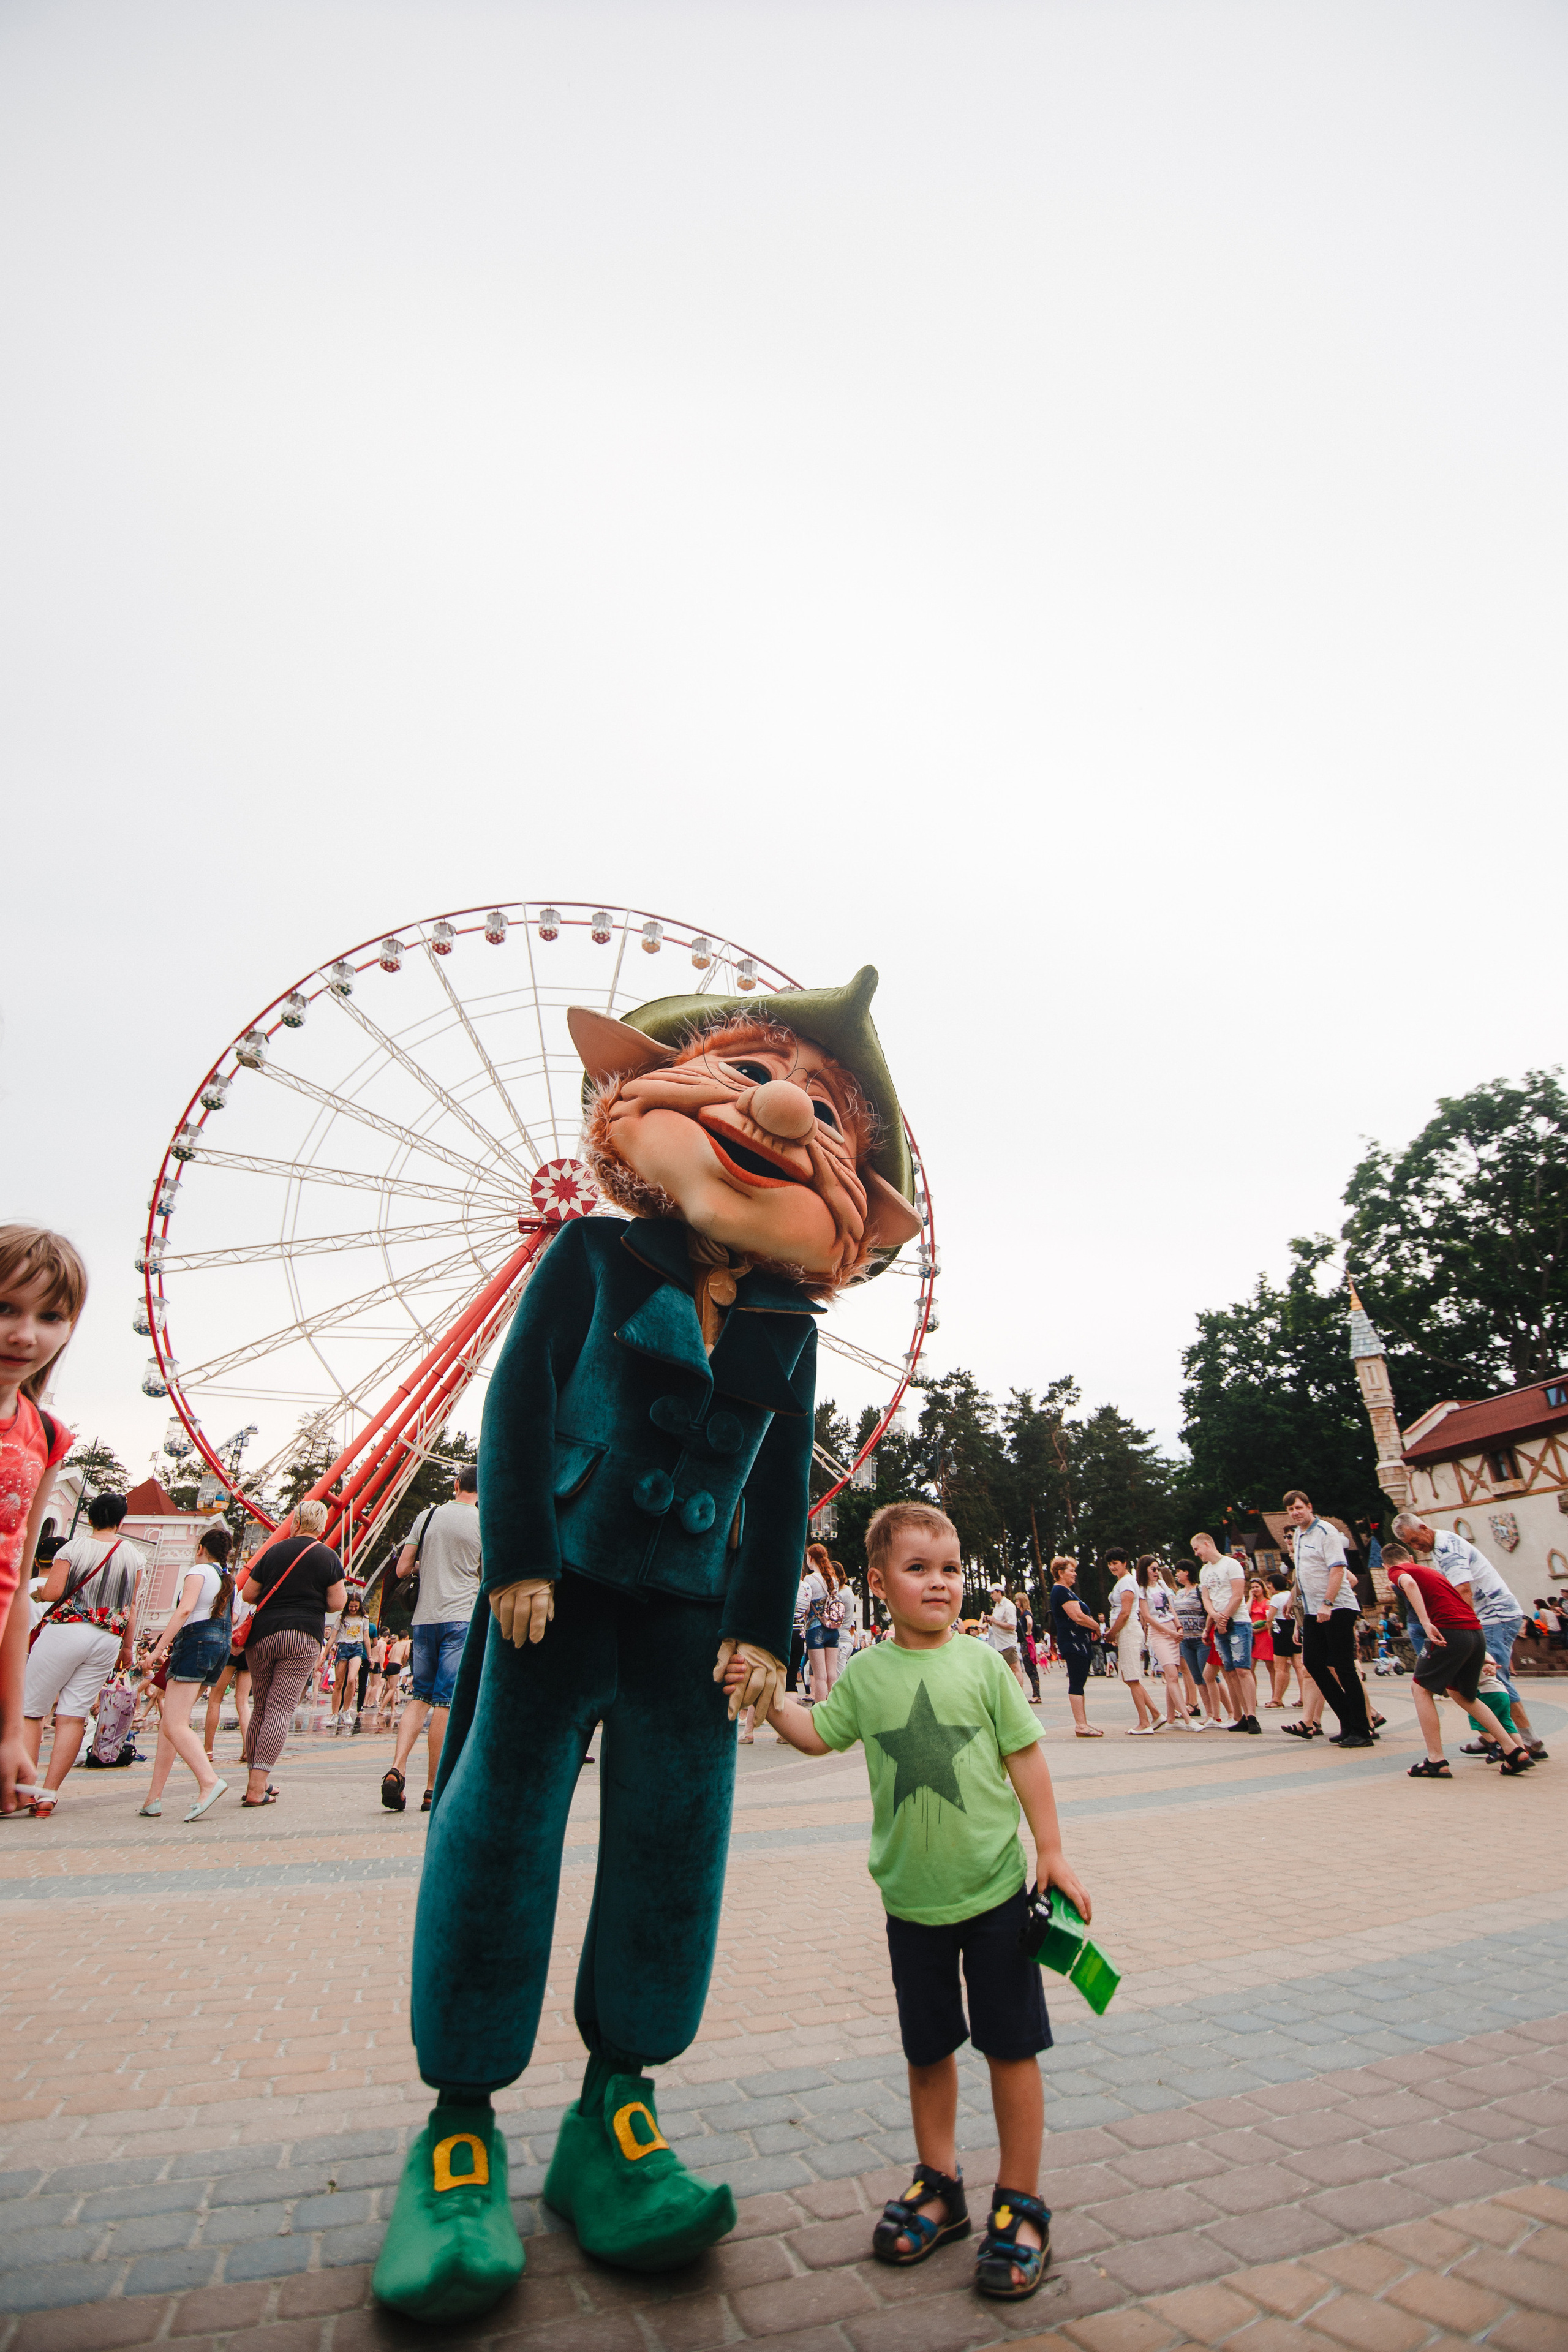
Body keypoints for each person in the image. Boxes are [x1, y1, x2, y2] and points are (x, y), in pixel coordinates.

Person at [751, 1500, 1090, 2303]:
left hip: (999, 1895)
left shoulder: (982, 1666)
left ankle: (1022, 2200)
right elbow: (817, 1732)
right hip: (911, 1903)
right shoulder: (867, 1675)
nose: (939, 1584)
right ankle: (940, 2186)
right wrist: (765, 1695)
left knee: (1012, 2047)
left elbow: (1027, 1760)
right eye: (918, 1569)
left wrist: (1051, 1850)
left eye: (950, 1569)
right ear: (877, 1583)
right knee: (928, 2050)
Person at [0, 1226, 87, 1814]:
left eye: (51, 1316)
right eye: (4, 1307)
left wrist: (10, 1732)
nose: (24, 1334)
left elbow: (15, 1590)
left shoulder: (48, 1436)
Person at [1391, 1512, 1544, 1759]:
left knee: (1493, 1676)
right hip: (1486, 1618)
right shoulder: (1442, 1548)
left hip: (1495, 1616)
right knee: (1472, 1681)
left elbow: (1463, 1591)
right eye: (1411, 1545)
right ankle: (1494, 1735)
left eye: (1416, 1539)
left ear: (1423, 1527)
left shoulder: (1447, 1548)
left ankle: (1526, 1740)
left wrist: (1465, 1627)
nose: (1417, 1547)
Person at [25, 1492, 143, 1801]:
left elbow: (52, 1591)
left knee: (33, 1711)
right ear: (120, 1521)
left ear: (90, 1517)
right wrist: (127, 1648)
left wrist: (37, 1597)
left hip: (67, 1630)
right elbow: (131, 1605)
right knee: (73, 1716)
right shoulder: (133, 1555)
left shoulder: (73, 1547)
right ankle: (49, 1795)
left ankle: (24, 1787)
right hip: (108, 1639)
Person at [382, 1464, 482, 1813]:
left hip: (424, 1620)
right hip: (461, 1619)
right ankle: (431, 1788)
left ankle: (397, 1768)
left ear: (456, 1485)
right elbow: (485, 1575)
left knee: (419, 1697)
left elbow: (401, 1569)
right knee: (444, 1702)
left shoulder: (428, 1516)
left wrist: (427, 1565)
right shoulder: (484, 1522)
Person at [238, 1500, 346, 1806]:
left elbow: (248, 1593)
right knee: (280, 1709)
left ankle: (254, 1781)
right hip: (303, 1635)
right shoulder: (328, 1557)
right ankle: (258, 1789)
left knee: (260, 1708)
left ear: (295, 1523)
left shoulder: (274, 1551)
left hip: (263, 1635)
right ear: (322, 1526)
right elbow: (338, 1602)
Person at [138, 1526, 233, 1820]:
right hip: (219, 1646)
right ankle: (153, 1797)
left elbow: (183, 1611)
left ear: (201, 1549)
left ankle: (209, 1781)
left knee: (175, 1724)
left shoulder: (198, 1572)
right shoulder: (229, 1580)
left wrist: (156, 1651)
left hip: (195, 1643)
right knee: (172, 1722)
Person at [1280, 1493, 1371, 1746]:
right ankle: (1347, 1721)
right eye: (1291, 1509)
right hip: (1311, 1610)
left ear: (1309, 1507)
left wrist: (1328, 1604)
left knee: (1343, 1667)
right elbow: (1302, 1573)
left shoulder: (1326, 1531)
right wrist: (1292, 1598)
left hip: (1337, 1607)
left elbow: (1338, 1569)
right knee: (1313, 1664)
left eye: (1299, 1507)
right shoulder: (1298, 1535)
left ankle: (1362, 1730)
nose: (1295, 1512)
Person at [1189, 1533, 1260, 1733]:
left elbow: (1238, 1595)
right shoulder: (1204, 1571)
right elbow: (1207, 1599)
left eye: (1197, 1549)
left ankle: (1252, 1715)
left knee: (1243, 1669)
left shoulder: (1231, 1564)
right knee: (1230, 1671)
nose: (1197, 1553)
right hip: (1220, 1624)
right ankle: (1242, 1715)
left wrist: (1225, 1617)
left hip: (1238, 1622)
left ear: (1206, 1544)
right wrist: (1214, 1617)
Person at [1103, 1549, 1158, 1734]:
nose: (1112, 1567)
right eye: (1110, 1564)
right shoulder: (1122, 1582)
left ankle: (1144, 1723)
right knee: (1130, 1677)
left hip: (1128, 1630)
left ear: (1125, 1563)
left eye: (1115, 1563)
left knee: (1133, 1678)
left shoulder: (1126, 1581)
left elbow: (1125, 1613)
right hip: (1125, 1632)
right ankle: (1156, 1714)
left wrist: (1112, 1633)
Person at [1047, 1558, 1101, 1736]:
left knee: (1080, 1682)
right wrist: (1096, 1626)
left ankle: (1084, 1723)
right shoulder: (1060, 1591)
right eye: (1071, 1570)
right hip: (1073, 1643)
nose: (1075, 1573)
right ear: (1060, 1572)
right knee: (1077, 1682)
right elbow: (1077, 1616)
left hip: (1080, 1643)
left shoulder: (1066, 1591)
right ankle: (1080, 1724)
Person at [1139, 1559, 1189, 1728]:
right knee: (1172, 1676)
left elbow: (1171, 1608)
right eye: (1153, 1569)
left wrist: (1179, 1626)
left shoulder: (1161, 1584)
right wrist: (1170, 1632)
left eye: (1158, 1568)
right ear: (1144, 1570)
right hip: (1159, 1634)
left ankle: (1171, 1718)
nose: (1156, 1571)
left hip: (1173, 1630)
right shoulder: (1142, 1589)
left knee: (1173, 1676)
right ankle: (1188, 1719)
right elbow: (1147, 1617)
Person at [1169, 1564, 1215, 1725]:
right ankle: (1209, 1714)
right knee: (1197, 1678)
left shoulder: (1200, 1590)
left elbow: (1210, 1610)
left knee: (1210, 1676)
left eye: (1178, 1571)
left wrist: (1207, 1630)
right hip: (1186, 1640)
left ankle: (1225, 1712)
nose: (1176, 1575)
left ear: (1187, 1572)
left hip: (1202, 1639)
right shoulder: (1179, 1593)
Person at [331, 1585, 372, 1729]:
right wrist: (324, 1656)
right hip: (343, 1648)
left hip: (357, 1648)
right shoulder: (341, 1618)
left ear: (360, 1606)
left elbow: (366, 1638)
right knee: (339, 1683)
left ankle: (346, 1710)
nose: (353, 1609)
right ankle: (335, 1714)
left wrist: (370, 1656)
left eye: (356, 1606)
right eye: (351, 1606)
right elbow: (333, 1637)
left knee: (351, 1680)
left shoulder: (364, 1618)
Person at [982, 1585, 1030, 1698]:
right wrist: (990, 1621)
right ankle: (1011, 1694)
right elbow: (998, 1623)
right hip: (999, 1644)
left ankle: (1019, 1695)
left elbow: (1012, 1626)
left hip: (1007, 1643)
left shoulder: (1008, 1605)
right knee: (1005, 1670)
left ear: (999, 1592)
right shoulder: (997, 1606)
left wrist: (994, 1620)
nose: (991, 1595)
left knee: (1015, 1668)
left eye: (993, 1592)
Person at [1013, 1591, 1041, 1701]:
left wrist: (1028, 1632)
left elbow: (1029, 1622)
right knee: (1030, 1668)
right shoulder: (1026, 1613)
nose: (1016, 1603)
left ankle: (1036, 1695)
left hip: (1027, 1643)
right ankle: (1036, 1694)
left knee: (1031, 1669)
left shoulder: (1026, 1614)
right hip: (1027, 1643)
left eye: (1017, 1601)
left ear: (1021, 1602)